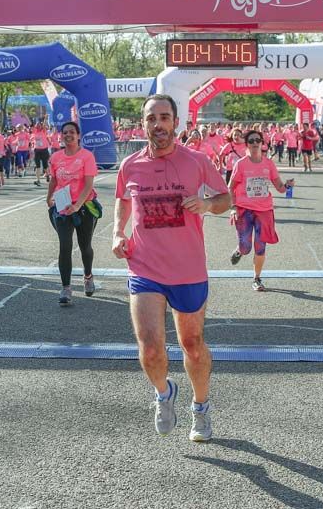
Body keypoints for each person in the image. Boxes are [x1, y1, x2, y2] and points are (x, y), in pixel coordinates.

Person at [112, 94, 230, 442]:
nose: (158, 124)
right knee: (150, 347)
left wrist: (207, 204)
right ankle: (164, 394)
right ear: (143, 123)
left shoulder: (196, 161)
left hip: (188, 270)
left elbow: (226, 199)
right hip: (144, 266)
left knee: (192, 344)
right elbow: (122, 200)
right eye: (152, 118)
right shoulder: (130, 165)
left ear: (175, 123)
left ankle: (201, 406)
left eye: (164, 117)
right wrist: (119, 232)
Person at [228, 129, 294, 291]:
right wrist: (233, 208)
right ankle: (239, 250)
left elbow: (279, 187)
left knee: (260, 246)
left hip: (264, 210)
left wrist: (287, 185)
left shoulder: (269, 164)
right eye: (251, 141)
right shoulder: (241, 164)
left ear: (262, 143)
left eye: (258, 140)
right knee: (246, 247)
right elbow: (231, 188)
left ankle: (256, 278)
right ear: (247, 144)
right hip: (244, 209)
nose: (255, 143)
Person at [47, 122, 100, 305]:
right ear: (61, 136)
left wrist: (77, 206)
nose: (68, 135)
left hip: (84, 207)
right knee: (65, 245)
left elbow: (88, 184)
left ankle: (88, 275)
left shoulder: (87, 156)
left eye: (72, 132)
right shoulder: (55, 157)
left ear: (78, 135)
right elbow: (54, 179)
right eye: (65, 132)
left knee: (85, 246)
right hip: (62, 207)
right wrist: (48, 198)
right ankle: (66, 288)